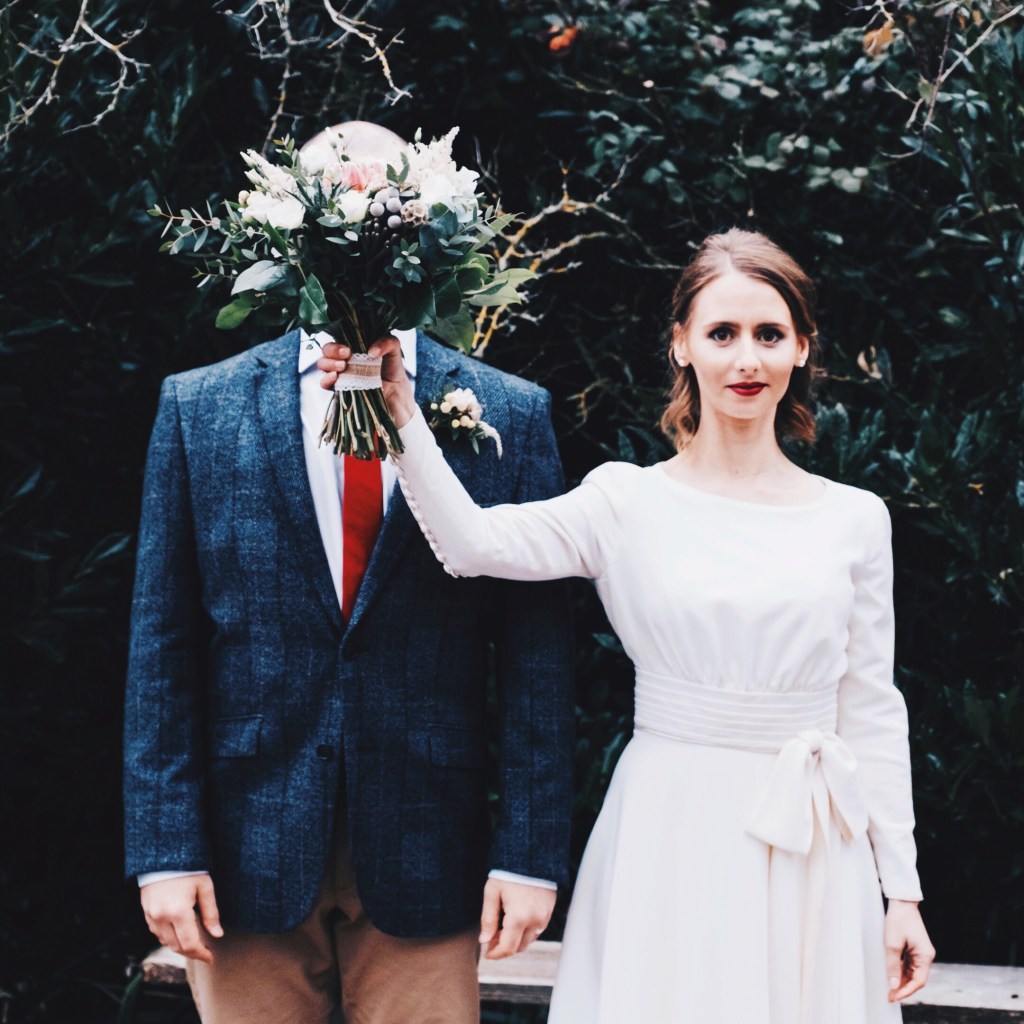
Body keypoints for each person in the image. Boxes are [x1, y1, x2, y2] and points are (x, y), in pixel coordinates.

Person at [318, 228, 936, 1023]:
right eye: (722, 334)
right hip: (671, 826)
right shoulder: (625, 502)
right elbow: (472, 544)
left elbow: (872, 708)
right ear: (682, 346)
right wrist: (401, 414)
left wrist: (903, 891)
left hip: (816, 841)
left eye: (769, 335)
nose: (746, 360)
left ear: (801, 350)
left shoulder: (855, 519)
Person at [124, 121, 574, 1024]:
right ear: (290, 236)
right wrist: (165, 848)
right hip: (245, 850)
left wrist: (529, 853)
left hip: (427, 851)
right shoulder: (197, 410)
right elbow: (162, 643)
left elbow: (537, 658)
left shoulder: (509, 416)